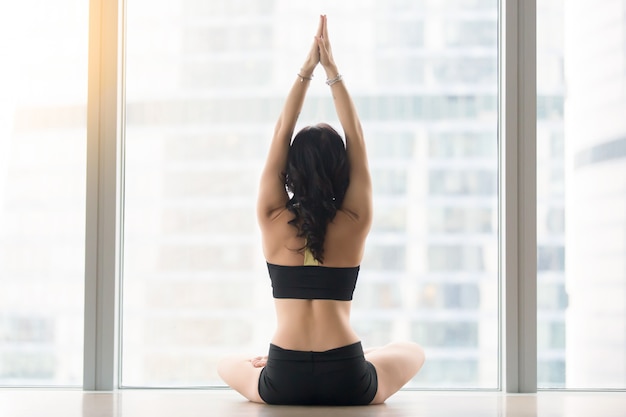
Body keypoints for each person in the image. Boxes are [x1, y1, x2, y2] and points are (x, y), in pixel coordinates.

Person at [217, 15, 425, 405]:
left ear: (290, 171)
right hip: (348, 373)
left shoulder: (271, 217)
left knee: (228, 362)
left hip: (283, 372)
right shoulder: (355, 221)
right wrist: (332, 71)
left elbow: (282, 129)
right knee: (412, 349)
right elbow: (357, 138)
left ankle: (277, 363)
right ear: (341, 169)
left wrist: (306, 71)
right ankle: (362, 356)